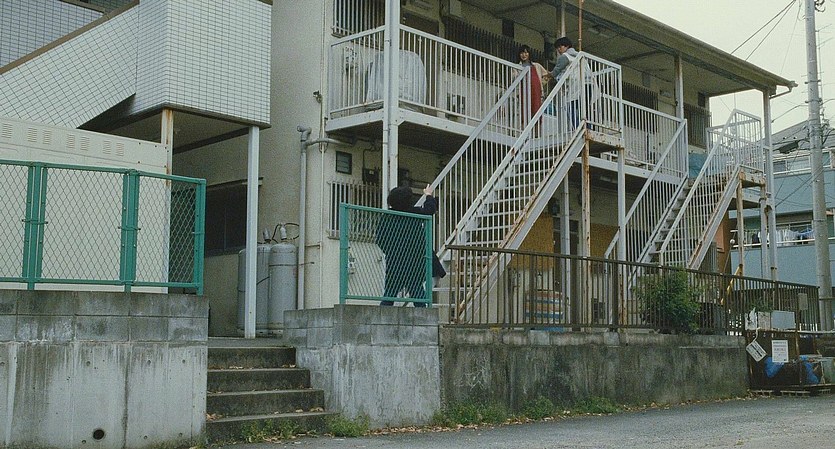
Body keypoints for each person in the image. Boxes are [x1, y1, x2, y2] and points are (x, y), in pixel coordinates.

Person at [377, 183, 446, 307]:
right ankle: (423, 316)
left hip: (395, 262)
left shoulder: (387, 216)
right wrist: (428, 195)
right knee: (417, 291)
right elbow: (429, 210)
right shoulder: (413, 213)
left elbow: (380, 239)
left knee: (390, 293)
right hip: (414, 261)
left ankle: (379, 315)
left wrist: (391, 251)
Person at [517, 45, 548, 123]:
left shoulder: (536, 65)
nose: (524, 55)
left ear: (529, 53)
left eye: (526, 52)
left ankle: (537, 129)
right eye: (521, 53)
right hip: (524, 92)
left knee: (536, 110)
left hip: (536, 92)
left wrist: (540, 84)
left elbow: (547, 76)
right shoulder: (517, 67)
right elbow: (514, 79)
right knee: (524, 111)